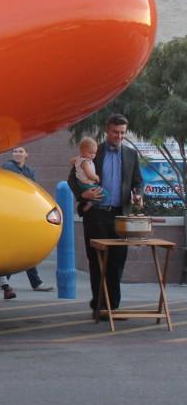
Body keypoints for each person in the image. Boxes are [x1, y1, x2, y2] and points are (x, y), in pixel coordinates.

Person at [67, 114, 144, 313]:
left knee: (117, 261)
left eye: (122, 133)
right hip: (96, 214)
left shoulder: (130, 154)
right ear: (107, 130)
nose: (119, 136)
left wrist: (138, 195)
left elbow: (137, 182)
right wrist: (83, 193)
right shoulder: (93, 151)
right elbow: (72, 178)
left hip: (120, 216)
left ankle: (113, 308)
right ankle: (100, 306)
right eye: (115, 132)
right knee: (97, 260)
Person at [1, 146, 55, 292]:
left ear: (27, 154)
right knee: (21, 248)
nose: (17, 154)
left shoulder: (29, 171)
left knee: (24, 248)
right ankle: (5, 280)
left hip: (24, 215)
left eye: (20, 152)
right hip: (11, 215)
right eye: (15, 152)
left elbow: (33, 190)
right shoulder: (8, 166)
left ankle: (5, 280)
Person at [72, 137, 106, 213]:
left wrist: (77, 160)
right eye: (90, 153)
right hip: (86, 183)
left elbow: (72, 160)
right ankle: (90, 204)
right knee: (105, 195)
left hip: (83, 182)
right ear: (82, 151)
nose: (93, 155)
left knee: (100, 193)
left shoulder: (80, 159)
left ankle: (90, 203)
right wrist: (96, 177)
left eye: (94, 153)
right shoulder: (86, 162)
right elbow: (89, 174)